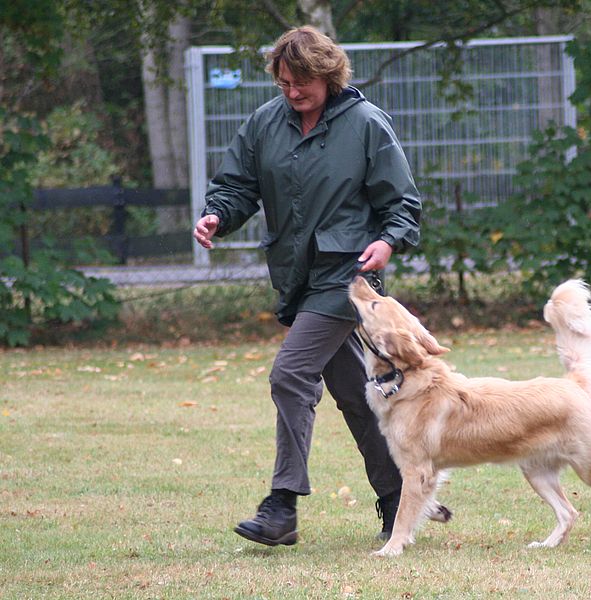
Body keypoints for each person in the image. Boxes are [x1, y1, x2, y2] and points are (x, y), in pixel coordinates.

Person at [193, 26, 423, 547]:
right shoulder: (265, 123)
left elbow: (402, 202)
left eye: (302, 83)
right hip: (295, 276)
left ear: (328, 75)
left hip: (347, 277)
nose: (293, 92)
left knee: (290, 374)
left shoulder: (365, 124)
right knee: (357, 395)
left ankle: (282, 506)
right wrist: (216, 216)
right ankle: (401, 499)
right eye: (284, 83)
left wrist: (388, 241)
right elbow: (236, 186)